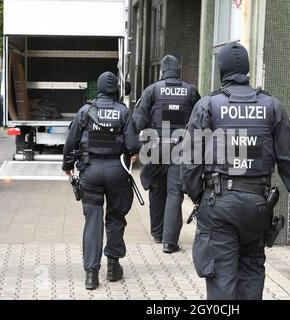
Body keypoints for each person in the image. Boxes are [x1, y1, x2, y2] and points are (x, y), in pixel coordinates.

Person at [180, 42, 290, 300]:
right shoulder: (271, 106)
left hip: (219, 206)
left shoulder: (208, 105)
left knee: (221, 282)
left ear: (222, 70)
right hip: (258, 207)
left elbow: (191, 160)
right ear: (248, 70)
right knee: (251, 275)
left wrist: (198, 196)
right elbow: (289, 156)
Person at [62, 71, 140, 290]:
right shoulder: (124, 112)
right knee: (115, 217)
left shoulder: (85, 111)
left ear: (98, 88)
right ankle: (113, 267)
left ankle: (91, 275)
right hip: (117, 171)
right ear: (116, 89)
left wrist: (67, 167)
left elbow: (71, 142)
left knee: (93, 221)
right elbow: (133, 146)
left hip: (91, 171)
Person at [133, 55, 201, 253]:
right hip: (180, 150)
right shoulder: (190, 91)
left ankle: (157, 232)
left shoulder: (152, 90)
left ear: (162, 72)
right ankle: (169, 242)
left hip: (154, 149)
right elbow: (200, 119)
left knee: (156, 189)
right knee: (174, 193)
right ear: (179, 71)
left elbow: (138, 122)